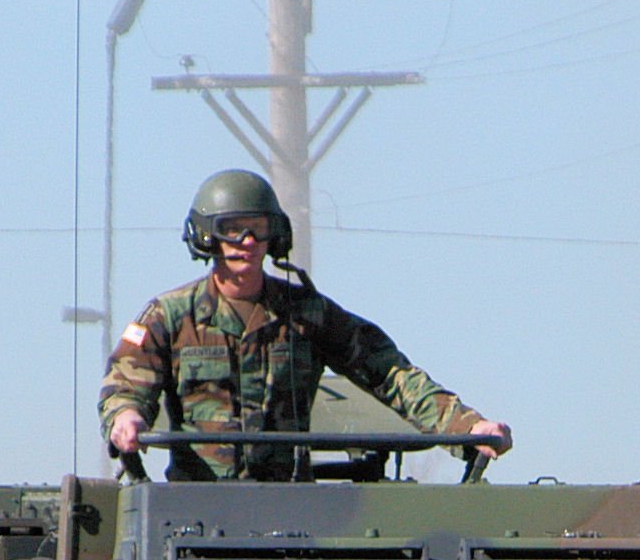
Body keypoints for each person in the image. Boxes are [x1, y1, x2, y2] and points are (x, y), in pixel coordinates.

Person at [99, 169, 510, 482]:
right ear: (207, 237)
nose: (246, 241)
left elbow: (391, 374)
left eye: (257, 229)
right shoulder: (170, 317)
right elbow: (125, 385)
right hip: (195, 509)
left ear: (273, 234)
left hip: (292, 510)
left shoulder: (306, 313)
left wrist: (468, 426)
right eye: (231, 229)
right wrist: (126, 419)